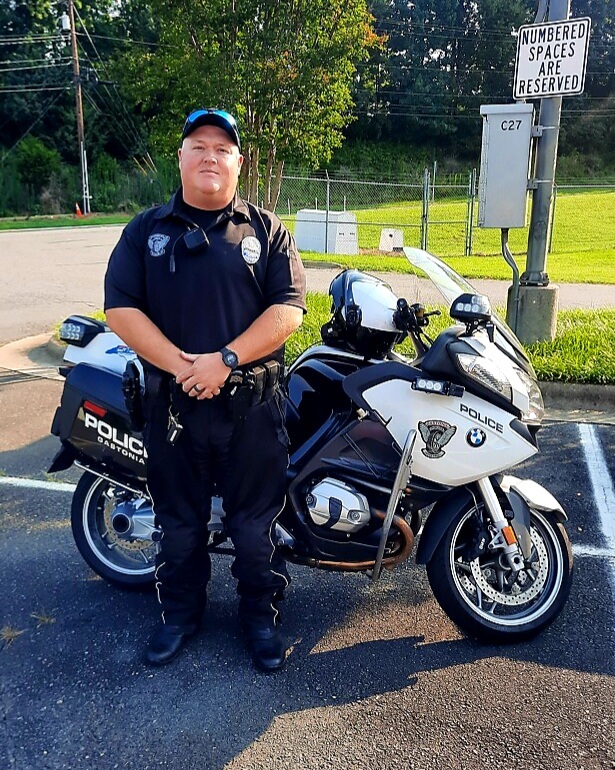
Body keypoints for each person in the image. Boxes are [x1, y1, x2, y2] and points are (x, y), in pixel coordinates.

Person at [104, 108, 306, 672]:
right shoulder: (145, 231)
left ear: (239, 163)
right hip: (173, 409)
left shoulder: (267, 231)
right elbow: (120, 308)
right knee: (179, 525)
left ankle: (259, 620)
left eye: (222, 149)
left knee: (254, 529)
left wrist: (225, 360)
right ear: (181, 158)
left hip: (251, 410)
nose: (210, 156)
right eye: (199, 146)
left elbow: (289, 310)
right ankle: (179, 617)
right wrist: (183, 368)